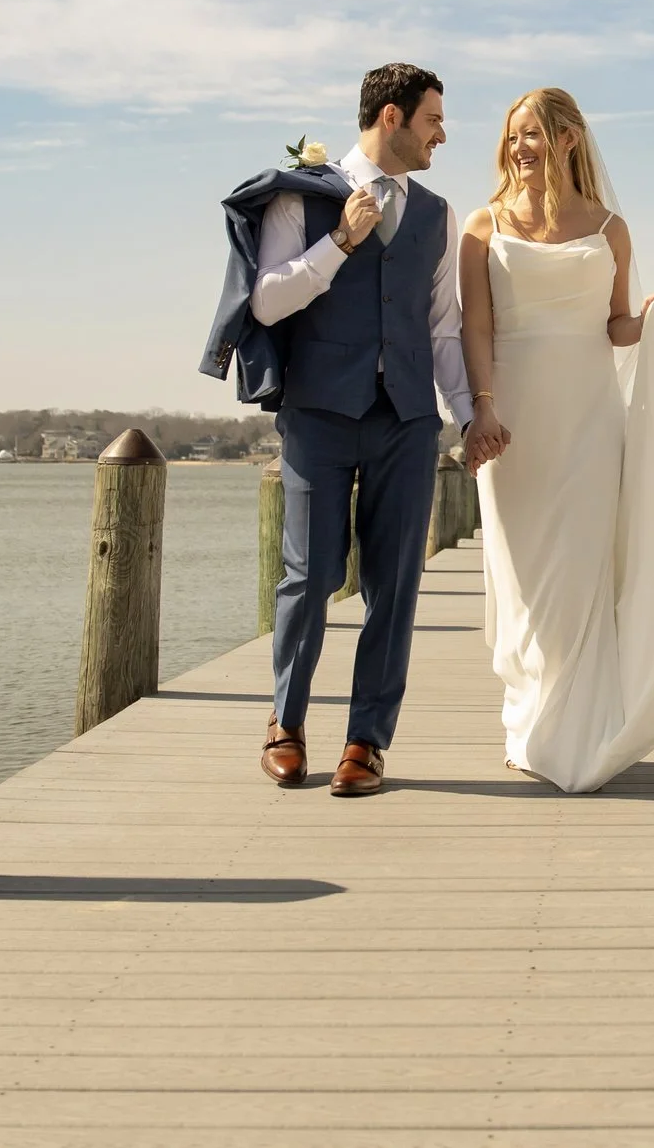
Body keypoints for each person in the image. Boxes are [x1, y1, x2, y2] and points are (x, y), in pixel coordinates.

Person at [198, 63, 487, 796]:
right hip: (320, 412)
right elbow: (265, 302)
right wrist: (342, 243)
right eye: (432, 121)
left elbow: (442, 328)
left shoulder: (437, 213)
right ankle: (286, 723)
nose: (442, 135)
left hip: (406, 421)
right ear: (391, 118)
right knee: (313, 572)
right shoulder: (304, 193)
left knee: (395, 584)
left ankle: (367, 740)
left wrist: (470, 415)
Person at [460, 88, 654, 792]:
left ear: (569, 140)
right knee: (523, 583)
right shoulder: (483, 226)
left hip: (588, 417)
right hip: (513, 418)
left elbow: (612, 326)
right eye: (514, 135)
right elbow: (475, 328)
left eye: (535, 136)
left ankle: (570, 730)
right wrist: (481, 406)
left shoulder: (610, 227)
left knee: (577, 573)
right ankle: (526, 721)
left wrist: (650, 321)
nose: (521, 147)